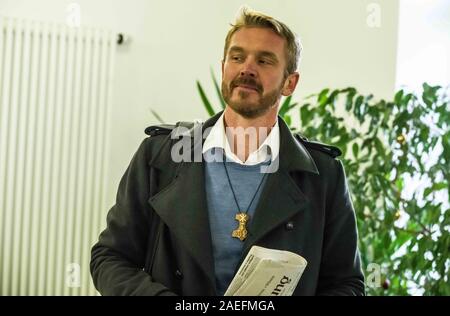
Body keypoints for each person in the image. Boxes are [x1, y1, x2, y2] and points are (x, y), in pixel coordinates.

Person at [90, 7, 365, 296]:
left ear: (289, 83)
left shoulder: (322, 174)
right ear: (224, 68)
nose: (247, 68)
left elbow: (346, 284)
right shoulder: (162, 155)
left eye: (264, 60)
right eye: (237, 57)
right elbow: (110, 259)